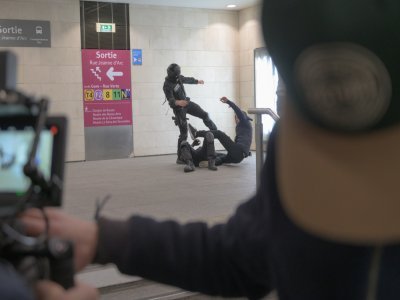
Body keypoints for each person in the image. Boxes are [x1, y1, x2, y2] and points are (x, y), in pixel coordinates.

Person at [23, 0, 400, 299]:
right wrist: (108, 239)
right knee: (194, 134)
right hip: (182, 115)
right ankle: (190, 149)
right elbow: (240, 255)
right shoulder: (289, 150)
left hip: (194, 112)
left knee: (207, 128)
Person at [163, 63, 217, 164]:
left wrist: (197, 81)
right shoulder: (167, 85)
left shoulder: (178, 78)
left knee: (205, 115)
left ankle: (215, 131)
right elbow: (170, 100)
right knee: (183, 134)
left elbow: (187, 79)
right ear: (171, 75)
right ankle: (180, 157)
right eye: (176, 76)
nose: (177, 78)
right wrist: (178, 102)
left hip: (186, 103)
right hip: (179, 109)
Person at [188, 96, 253, 166]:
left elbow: (238, 111)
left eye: (237, 117)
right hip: (238, 158)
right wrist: (247, 153)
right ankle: (211, 163)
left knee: (219, 134)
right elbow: (244, 141)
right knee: (221, 157)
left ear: (242, 117)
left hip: (238, 151)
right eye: (235, 118)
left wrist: (228, 102)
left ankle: (196, 133)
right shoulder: (244, 127)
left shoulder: (245, 122)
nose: (236, 120)